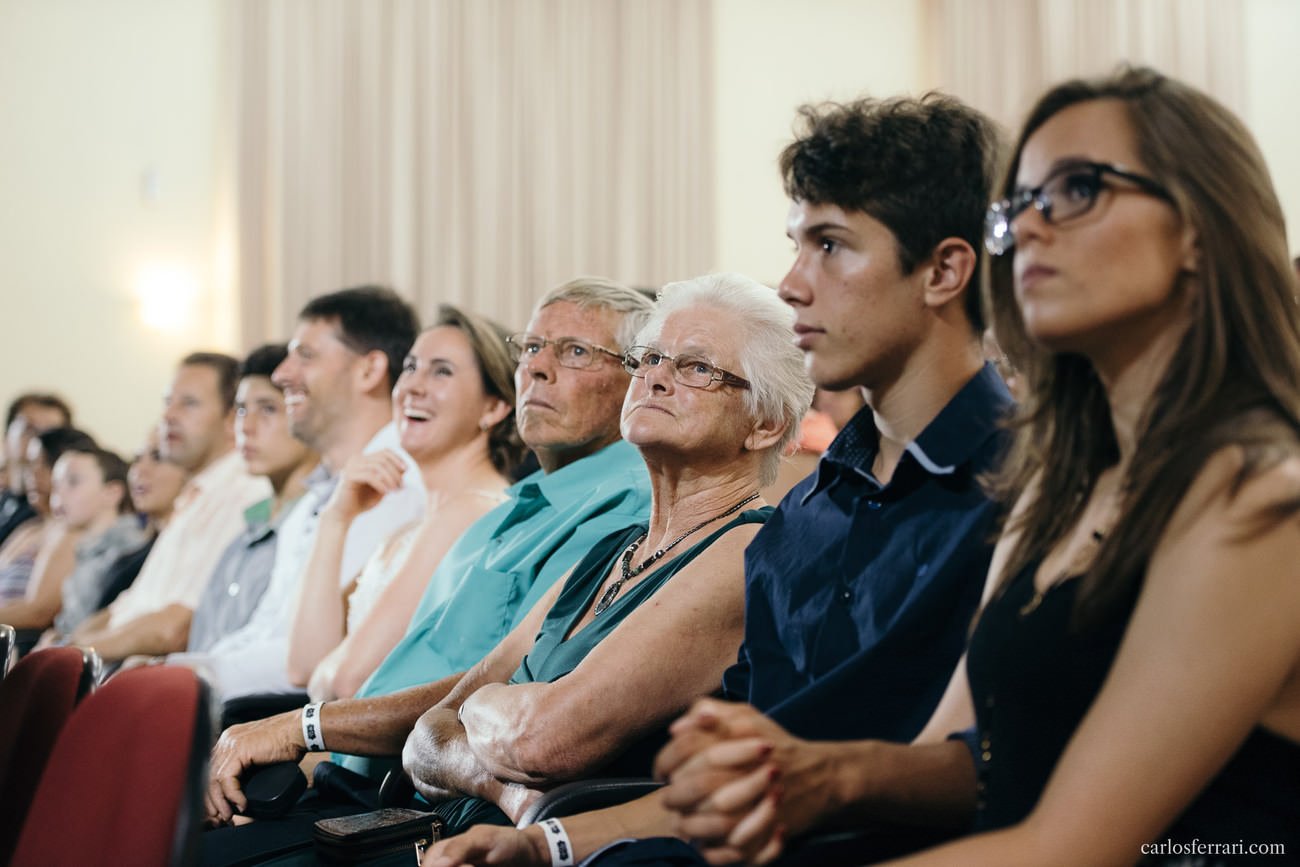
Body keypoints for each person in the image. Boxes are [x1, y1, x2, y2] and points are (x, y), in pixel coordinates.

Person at [651, 67, 1300, 867]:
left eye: (1076, 189)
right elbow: (977, 758)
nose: (1029, 229)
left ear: (1197, 226)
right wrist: (826, 772)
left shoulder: (1265, 502)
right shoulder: (1059, 487)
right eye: (1018, 205)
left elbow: (1074, 844)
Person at [426, 92, 1010, 867]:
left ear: (943, 270)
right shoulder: (807, 512)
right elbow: (725, 782)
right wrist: (545, 843)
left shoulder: (1024, 486)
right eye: (798, 246)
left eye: (830, 247)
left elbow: (1004, 774)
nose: (794, 283)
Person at [199, 277, 657, 860]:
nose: (537, 368)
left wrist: (303, 729)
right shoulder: (520, 504)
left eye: (574, 352)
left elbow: (502, 685)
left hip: (415, 799)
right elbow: (334, 670)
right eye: (531, 348)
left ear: (638, 378)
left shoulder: (623, 506)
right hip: (347, 779)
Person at [167, 286, 426, 701]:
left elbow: (312, 661)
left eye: (305, 356)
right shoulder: (310, 502)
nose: (283, 374)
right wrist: (185, 668)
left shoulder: (397, 484)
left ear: (369, 370)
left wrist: (185, 679)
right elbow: (264, 630)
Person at [287, 305, 526, 702]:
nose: (413, 386)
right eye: (411, 368)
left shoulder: (470, 511)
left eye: (442, 371)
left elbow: (342, 682)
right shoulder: (410, 528)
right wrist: (336, 520)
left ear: (494, 407)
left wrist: (328, 676)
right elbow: (304, 666)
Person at [67, 353, 271, 660]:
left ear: (231, 419)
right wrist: (69, 644)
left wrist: (75, 655)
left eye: (188, 403)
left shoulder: (246, 494)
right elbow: (128, 605)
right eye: (167, 402)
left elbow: (176, 628)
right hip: (111, 662)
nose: (168, 416)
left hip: (150, 675)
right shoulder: (193, 496)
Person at [145, 345, 318, 657]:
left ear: (303, 411)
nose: (246, 427)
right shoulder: (248, 528)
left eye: (267, 409)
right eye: (240, 410)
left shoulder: (315, 522)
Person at [0, 428, 97, 617]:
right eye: (31, 464)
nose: (33, 474)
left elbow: (39, 612)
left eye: (46, 464)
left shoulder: (73, 534)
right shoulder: (28, 528)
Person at [0, 393, 72, 550]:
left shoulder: (54, 510)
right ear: (6, 439)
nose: (38, 442)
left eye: (51, 434)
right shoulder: (6, 498)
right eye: (30, 430)